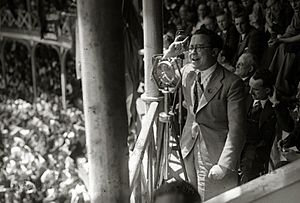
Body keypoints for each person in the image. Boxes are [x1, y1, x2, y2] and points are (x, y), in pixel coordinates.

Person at [164, 26, 246, 200]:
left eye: (199, 48)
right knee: (193, 198)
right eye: (191, 47)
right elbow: (160, 81)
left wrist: (224, 164)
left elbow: (237, 129)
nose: (192, 52)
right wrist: (169, 56)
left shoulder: (232, 83)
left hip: (216, 157)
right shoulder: (187, 72)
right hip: (189, 148)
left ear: (214, 52)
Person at [240, 69, 294, 184]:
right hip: (240, 146)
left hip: (259, 154)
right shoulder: (244, 96)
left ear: (268, 90)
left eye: (255, 90)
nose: (250, 92)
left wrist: (276, 104)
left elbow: (288, 127)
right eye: (250, 87)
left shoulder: (277, 105)